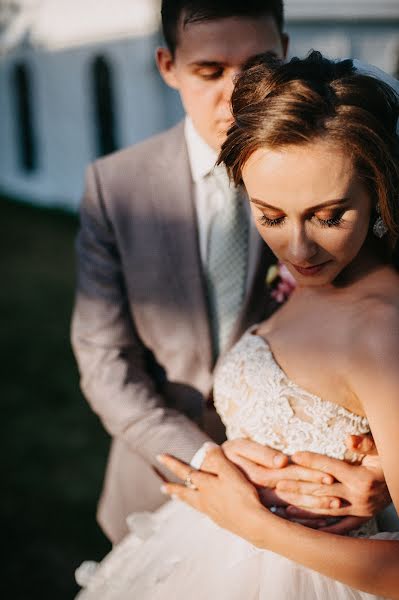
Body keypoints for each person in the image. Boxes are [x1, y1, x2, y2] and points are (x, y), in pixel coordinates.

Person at [75, 52, 399, 599]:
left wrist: (253, 524)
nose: (298, 249)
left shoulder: (382, 331)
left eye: (329, 216)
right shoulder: (314, 277)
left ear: (378, 192)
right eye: (270, 215)